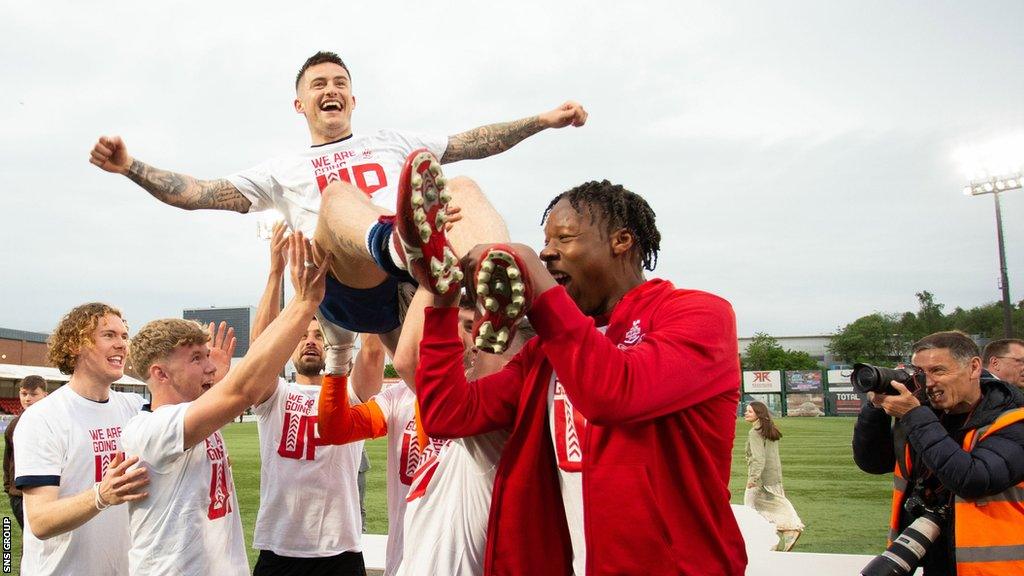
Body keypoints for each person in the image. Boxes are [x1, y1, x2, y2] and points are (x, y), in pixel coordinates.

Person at [90, 50, 586, 384]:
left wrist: (542, 120)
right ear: (300, 103)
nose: (332, 89)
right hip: (352, 285)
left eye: (340, 83)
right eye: (319, 84)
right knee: (337, 198)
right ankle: (401, 242)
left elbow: (472, 142)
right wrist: (130, 167)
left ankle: (491, 286)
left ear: (353, 98)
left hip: (420, 281)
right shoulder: (285, 168)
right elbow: (197, 192)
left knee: (463, 186)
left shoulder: (393, 141)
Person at [415, 180, 747, 575]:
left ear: (621, 241)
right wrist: (442, 304)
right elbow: (449, 415)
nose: (547, 251)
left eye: (564, 238)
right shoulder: (547, 351)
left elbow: (612, 394)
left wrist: (535, 279)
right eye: (543, 241)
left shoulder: (698, 315)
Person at [120, 233, 326, 575]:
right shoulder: (153, 429)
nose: (211, 366)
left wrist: (276, 274)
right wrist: (303, 302)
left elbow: (252, 379)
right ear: (160, 373)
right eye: (197, 359)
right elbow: (245, 389)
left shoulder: (193, 419)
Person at [248, 222, 373, 576]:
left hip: (340, 550)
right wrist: (275, 272)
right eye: (302, 334)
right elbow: (260, 353)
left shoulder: (350, 392)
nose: (311, 341)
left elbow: (375, 353)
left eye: (319, 334)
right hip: (280, 547)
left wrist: (359, 273)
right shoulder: (276, 395)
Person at [853, 330, 1024, 576]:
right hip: (934, 560)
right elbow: (873, 462)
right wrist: (875, 408)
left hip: (995, 568)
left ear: (975, 368)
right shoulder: (928, 415)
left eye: (938, 371)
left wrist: (913, 415)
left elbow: (972, 479)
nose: (928, 383)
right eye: (920, 373)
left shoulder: (1014, 421)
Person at [13, 303, 150, 576]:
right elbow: (40, 521)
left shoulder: (135, 407)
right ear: (76, 345)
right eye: (109, 335)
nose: (122, 344)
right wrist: (102, 495)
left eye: (124, 336)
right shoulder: (43, 418)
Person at [397, 306, 532, 576]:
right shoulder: (463, 422)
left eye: (483, 344)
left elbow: (408, 360)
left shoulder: (492, 432)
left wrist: (438, 288)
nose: (471, 348)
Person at [317, 332, 449, 576]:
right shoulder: (399, 396)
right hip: (405, 561)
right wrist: (337, 355)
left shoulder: (484, 393)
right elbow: (335, 430)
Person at [743, 401, 803, 552]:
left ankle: (791, 528)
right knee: (768, 508)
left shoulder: (755, 433)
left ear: (758, 414)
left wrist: (753, 479)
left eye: (749, 411)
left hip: (761, 479)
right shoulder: (769, 430)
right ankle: (774, 540)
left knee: (751, 509)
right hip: (773, 476)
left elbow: (758, 458)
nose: (745, 413)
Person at [3, 375, 49, 528]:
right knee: (30, 541)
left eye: (33, 394)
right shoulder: (14, 425)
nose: (28, 398)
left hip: (46, 492)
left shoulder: (55, 423)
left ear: (45, 395)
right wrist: (9, 488)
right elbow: (8, 459)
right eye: (24, 394)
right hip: (19, 495)